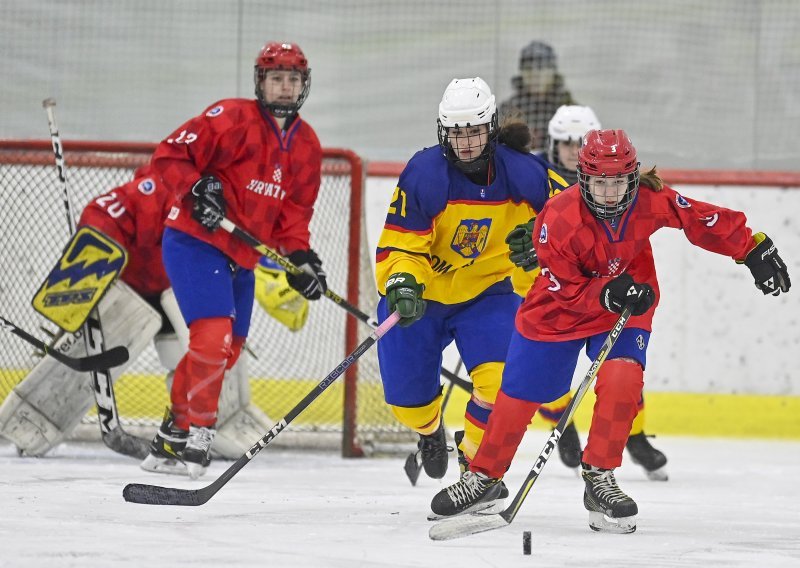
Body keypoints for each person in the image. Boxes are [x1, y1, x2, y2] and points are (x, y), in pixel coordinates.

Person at [430, 129, 790, 532]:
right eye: (600, 182)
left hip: (629, 302)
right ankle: (484, 478)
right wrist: (605, 292)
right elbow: (563, 287)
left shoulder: (647, 200)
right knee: (517, 396)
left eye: (618, 181)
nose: (609, 192)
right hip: (558, 310)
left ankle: (599, 477)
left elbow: (696, 217)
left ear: (632, 178)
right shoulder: (559, 216)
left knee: (623, 377)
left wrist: (750, 247)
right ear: (584, 178)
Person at [374, 77, 566, 510]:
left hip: (487, 292)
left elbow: (572, 218)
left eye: (474, 132)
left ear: (491, 128)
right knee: (409, 404)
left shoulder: (524, 174)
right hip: (422, 295)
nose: (465, 144)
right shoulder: (424, 173)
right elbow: (402, 246)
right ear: (444, 132)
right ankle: (429, 432)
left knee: (499, 382)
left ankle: (477, 472)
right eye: (456, 133)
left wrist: (539, 238)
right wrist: (402, 281)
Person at [143, 41, 327, 479]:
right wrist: (197, 187)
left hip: (242, 256)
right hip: (194, 241)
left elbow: (293, 218)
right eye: (276, 78)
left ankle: (173, 432)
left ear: (303, 86)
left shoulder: (308, 147)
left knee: (228, 350)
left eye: (292, 79)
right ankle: (200, 437)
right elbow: (169, 157)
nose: (284, 87)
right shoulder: (229, 117)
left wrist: (301, 260)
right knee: (211, 339)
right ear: (260, 82)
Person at [535, 105, 669, 480]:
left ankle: (636, 436)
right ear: (552, 144)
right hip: (552, 282)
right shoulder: (536, 175)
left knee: (622, 366)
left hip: (604, 286)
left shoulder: (612, 177)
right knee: (548, 367)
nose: (569, 149)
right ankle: (561, 424)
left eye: (578, 142)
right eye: (564, 143)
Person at [498, 41, 575, 153]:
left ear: (552, 71)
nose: (534, 74)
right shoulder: (509, 109)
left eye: (541, 68)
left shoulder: (568, 108)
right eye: (528, 68)